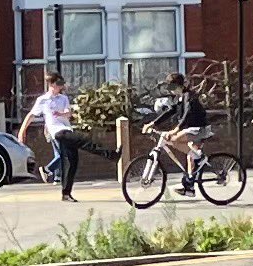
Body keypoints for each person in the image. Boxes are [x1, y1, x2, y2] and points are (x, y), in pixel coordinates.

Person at [18, 72, 120, 202]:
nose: (60, 87)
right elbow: (31, 116)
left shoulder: (63, 98)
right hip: (57, 132)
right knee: (84, 140)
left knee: (71, 162)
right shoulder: (43, 100)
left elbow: (68, 113)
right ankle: (111, 155)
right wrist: (22, 131)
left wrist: (62, 113)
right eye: (58, 84)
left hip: (66, 129)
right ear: (52, 84)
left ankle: (66, 194)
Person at [144, 73, 210, 197]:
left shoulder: (189, 96)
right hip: (191, 129)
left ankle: (199, 158)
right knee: (191, 156)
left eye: (173, 87)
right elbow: (170, 111)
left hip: (200, 128)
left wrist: (175, 130)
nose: (171, 91)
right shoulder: (179, 98)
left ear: (180, 86)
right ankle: (189, 188)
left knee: (174, 140)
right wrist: (152, 123)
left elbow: (187, 115)